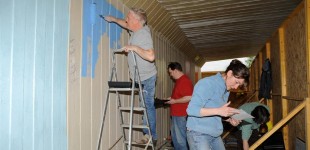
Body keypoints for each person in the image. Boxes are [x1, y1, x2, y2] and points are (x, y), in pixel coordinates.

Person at [104, 8, 157, 144]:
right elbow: (126, 24)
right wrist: (114, 19)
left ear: (137, 21)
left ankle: (150, 135)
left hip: (147, 77)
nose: (126, 18)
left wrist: (134, 48)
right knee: (144, 104)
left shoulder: (143, 34)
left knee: (147, 105)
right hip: (139, 77)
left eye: (129, 16)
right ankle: (149, 134)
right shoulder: (135, 30)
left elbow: (151, 56)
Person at [186, 59, 250, 150]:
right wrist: (219, 111)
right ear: (229, 73)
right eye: (236, 82)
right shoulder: (207, 83)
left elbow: (214, 111)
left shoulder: (225, 89)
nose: (236, 87)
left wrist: (229, 119)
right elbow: (191, 110)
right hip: (199, 133)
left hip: (215, 134)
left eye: (239, 85)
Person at [166, 62, 193, 150]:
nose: (170, 75)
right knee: (176, 139)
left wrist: (175, 101)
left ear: (176, 70)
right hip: (176, 115)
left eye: (171, 72)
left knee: (180, 140)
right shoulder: (179, 81)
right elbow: (181, 96)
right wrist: (171, 99)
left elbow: (189, 97)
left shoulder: (184, 81)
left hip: (181, 115)